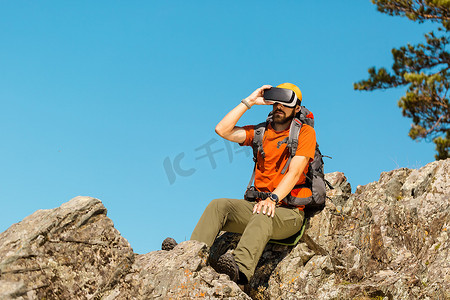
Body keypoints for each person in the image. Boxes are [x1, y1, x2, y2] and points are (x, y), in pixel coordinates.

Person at [163, 83, 316, 285]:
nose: (279, 107)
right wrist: (249, 101)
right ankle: (190, 254)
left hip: (289, 213)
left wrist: (273, 198)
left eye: (285, 104)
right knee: (219, 205)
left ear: (296, 109)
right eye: (275, 102)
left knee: (264, 213)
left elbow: (295, 171)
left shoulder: (304, 133)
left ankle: (239, 270)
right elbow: (222, 130)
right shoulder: (261, 131)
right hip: (258, 208)